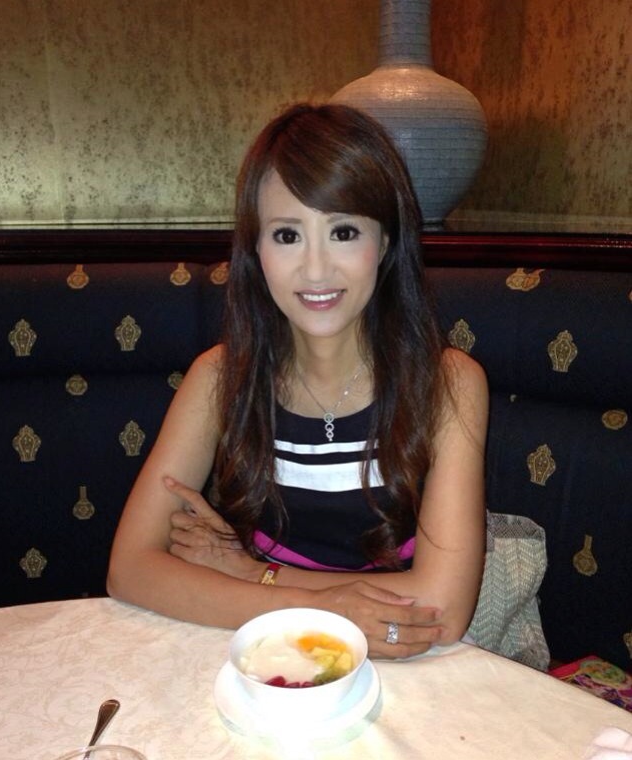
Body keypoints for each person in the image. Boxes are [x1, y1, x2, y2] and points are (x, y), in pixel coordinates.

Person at [107, 102, 489, 660]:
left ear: (385, 243)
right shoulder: (218, 378)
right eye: (287, 235)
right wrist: (320, 606)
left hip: (408, 658)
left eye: (343, 231)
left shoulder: (449, 384)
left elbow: (441, 609)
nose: (315, 269)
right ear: (256, 250)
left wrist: (253, 573)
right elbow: (129, 569)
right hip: (266, 651)